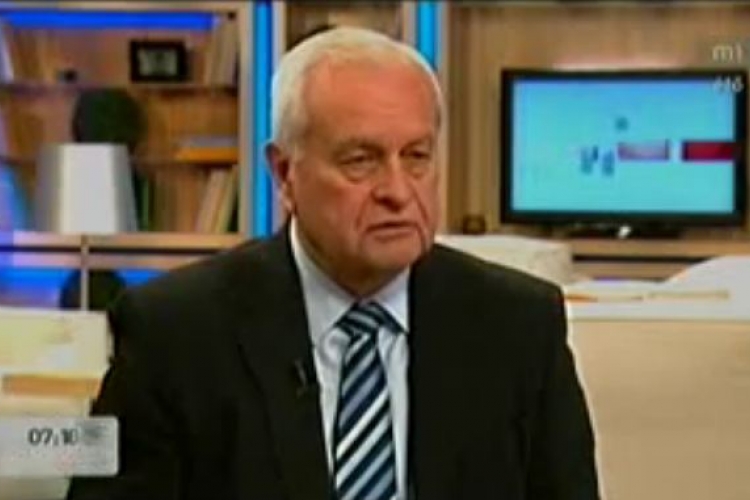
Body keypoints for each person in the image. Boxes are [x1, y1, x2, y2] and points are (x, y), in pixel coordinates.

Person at [67, 26, 599, 500]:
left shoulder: (520, 327)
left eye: (417, 156)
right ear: (284, 174)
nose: (398, 192)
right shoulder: (171, 331)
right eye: (360, 160)